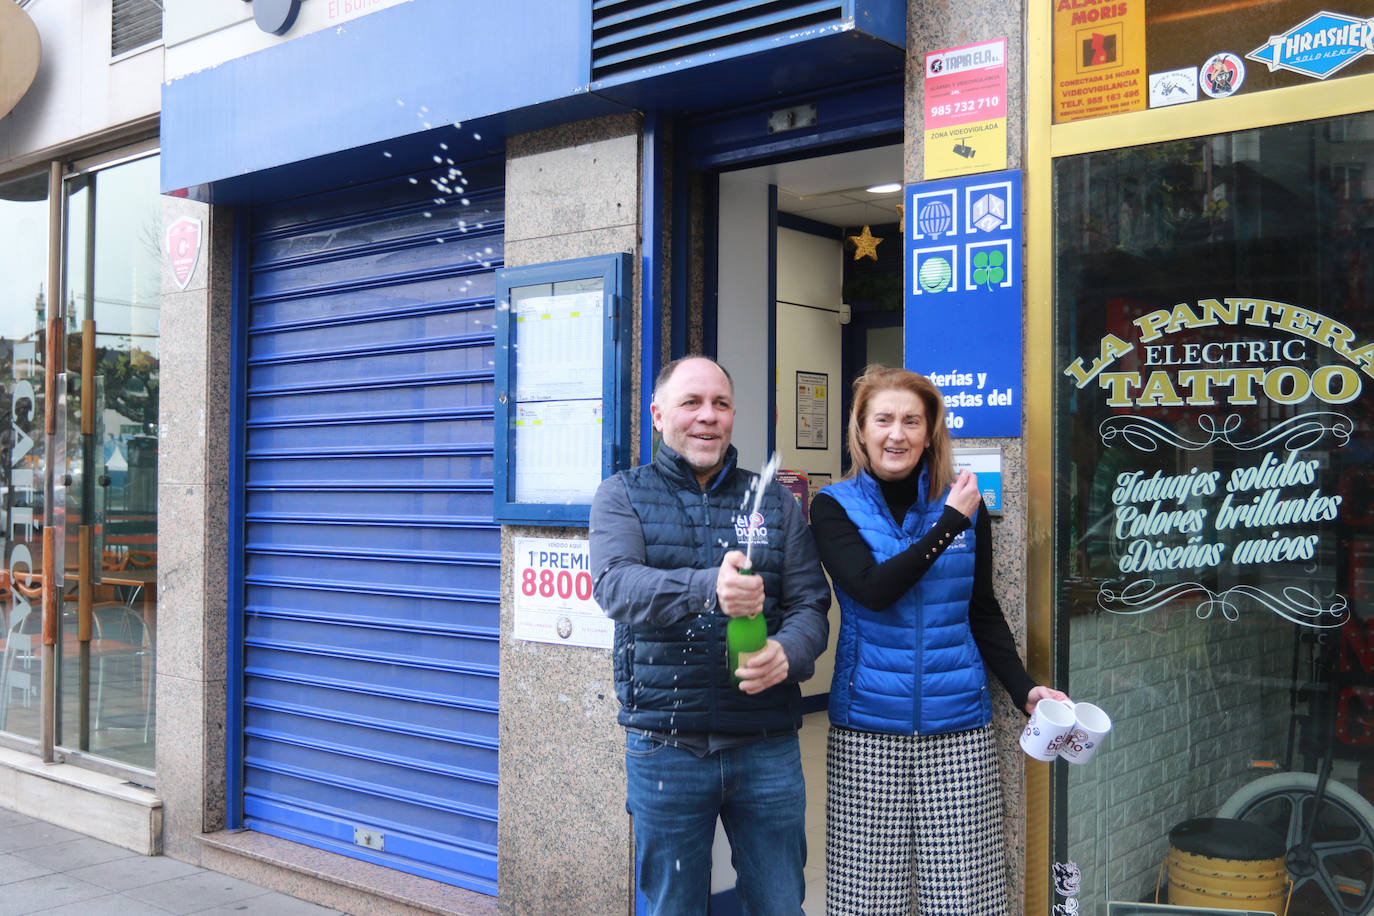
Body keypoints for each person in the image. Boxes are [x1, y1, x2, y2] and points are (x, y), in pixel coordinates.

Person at [809, 366, 1067, 916]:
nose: (896, 434)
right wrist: (949, 522)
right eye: (882, 420)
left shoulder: (965, 509)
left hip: (958, 731)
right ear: (860, 430)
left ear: (930, 433)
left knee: (965, 900)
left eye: (911, 421)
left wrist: (1026, 691)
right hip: (867, 731)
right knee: (867, 900)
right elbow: (873, 590)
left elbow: (982, 612)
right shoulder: (833, 506)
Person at [590, 355, 831, 916]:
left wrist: (788, 653)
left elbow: (810, 604)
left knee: (778, 902)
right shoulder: (621, 495)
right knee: (672, 906)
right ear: (658, 414)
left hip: (766, 744)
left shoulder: (773, 502)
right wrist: (708, 588)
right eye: (691, 403)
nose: (708, 417)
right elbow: (616, 585)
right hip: (666, 746)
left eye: (720, 405)